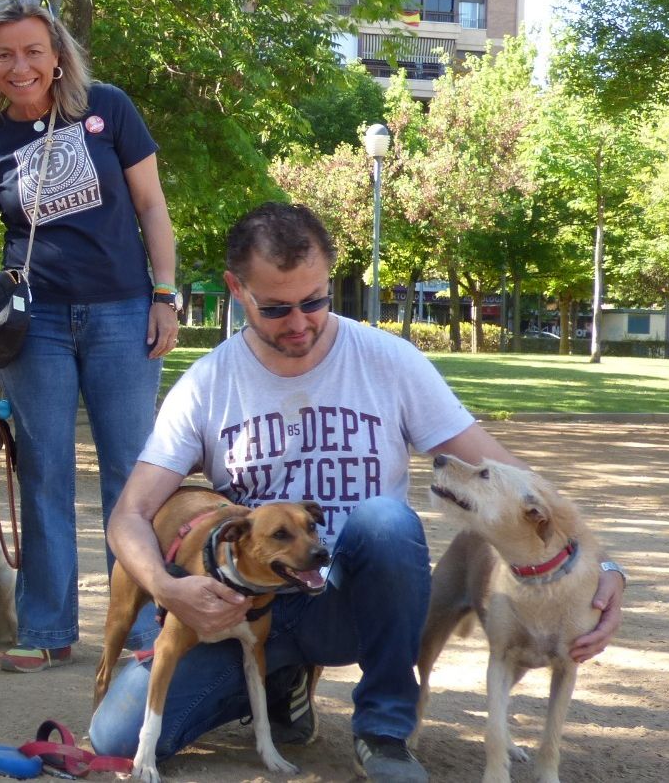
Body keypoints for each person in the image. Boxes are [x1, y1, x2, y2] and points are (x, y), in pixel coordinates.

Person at [89, 202, 627, 782]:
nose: (299, 322)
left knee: (386, 522)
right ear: (236, 290)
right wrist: (169, 587)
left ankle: (384, 731)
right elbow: (130, 514)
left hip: (350, 599)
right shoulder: (206, 384)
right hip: (244, 603)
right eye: (275, 308)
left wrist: (601, 563)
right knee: (113, 736)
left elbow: (512, 478)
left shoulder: (388, 361)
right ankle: (277, 684)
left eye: (315, 300)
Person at [0, 0, 180, 673]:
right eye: (4, 54)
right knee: (42, 475)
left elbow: (152, 206)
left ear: (57, 54)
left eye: (33, 50)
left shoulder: (110, 110)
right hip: (32, 327)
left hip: (124, 313)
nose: (20, 65)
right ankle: (45, 628)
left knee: (133, 474)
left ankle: (144, 628)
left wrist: (165, 293)